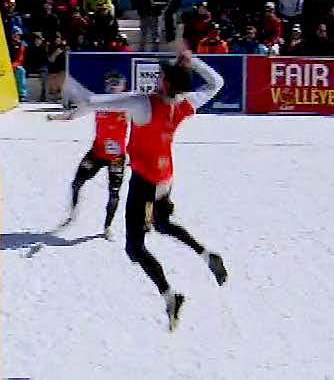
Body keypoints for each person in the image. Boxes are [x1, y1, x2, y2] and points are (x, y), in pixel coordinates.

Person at [64, 49, 227, 331]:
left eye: (161, 75)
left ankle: (170, 295)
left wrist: (65, 81)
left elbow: (93, 100)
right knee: (163, 224)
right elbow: (217, 83)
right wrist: (192, 62)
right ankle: (205, 253)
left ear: (165, 82)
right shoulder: (184, 103)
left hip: (145, 182)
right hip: (165, 177)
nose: (157, 77)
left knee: (135, 248)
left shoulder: (144, 105)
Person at [55, 71, 131, 239]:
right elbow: (77, 113)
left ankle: (107, 226)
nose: (112, 87)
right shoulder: (98, 103)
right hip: (97, 153)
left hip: (116, 158)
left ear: (122, 86)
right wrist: (58, 117)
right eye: (110, 83)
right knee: (76, 183)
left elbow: (142, 125)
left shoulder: (127, 106)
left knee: (114, 192)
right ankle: (72, 214)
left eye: (116, 84)